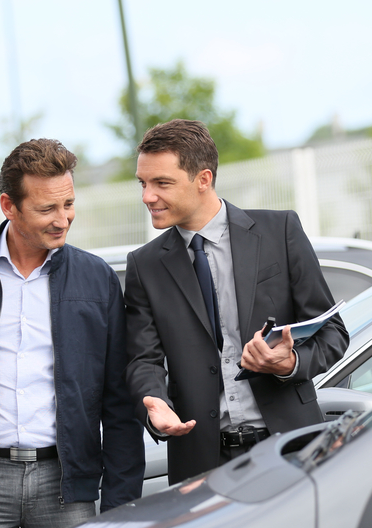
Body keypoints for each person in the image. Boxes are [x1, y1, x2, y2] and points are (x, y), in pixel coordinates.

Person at [125, 119, 349, 484]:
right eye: (143, 183)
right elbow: (142, 359)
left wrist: (290, 363)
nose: (147, 196)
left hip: (291, 450)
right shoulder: (144, 265)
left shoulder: (280, 232)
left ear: (203, 179)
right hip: (201, 462)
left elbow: (333, 333)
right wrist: (153, 402)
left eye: (161, 183)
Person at [0, 138, 144, 528]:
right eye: (47, 209)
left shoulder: (96, 279)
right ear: (9, 206)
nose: (63, 220)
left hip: (66, 483)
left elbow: (119, 401)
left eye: (69, 204)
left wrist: (119, 506)